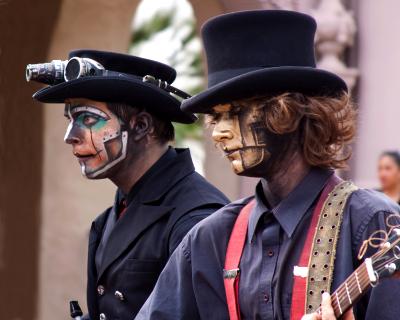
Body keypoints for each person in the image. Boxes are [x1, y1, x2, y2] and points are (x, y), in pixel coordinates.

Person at [135, 10, 400, 320]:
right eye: (215, 118)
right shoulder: (208, 239)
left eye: (234, 112)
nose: (219, 132)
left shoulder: (373, 224)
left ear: (286, 112)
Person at [27, 50, 229, 319]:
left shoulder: (197, 218)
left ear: (141, 126)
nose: (71, 137)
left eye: (88, 119)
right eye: (71, 120)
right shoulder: (111, 216)